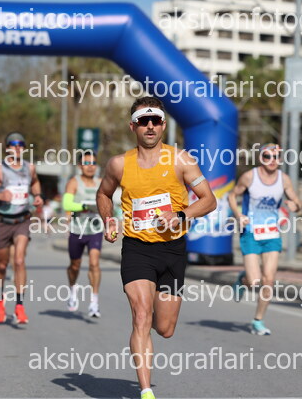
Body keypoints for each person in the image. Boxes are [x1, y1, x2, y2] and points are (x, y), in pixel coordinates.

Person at [96, 96, 216, 399]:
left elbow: (209, 200)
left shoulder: (181, 160)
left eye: (155, 120)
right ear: (132, 126)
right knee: (140, 316)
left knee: (165, 328)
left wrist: (181, 215)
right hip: (137, 248)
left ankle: (150, 330)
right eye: (143, 121)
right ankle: (146, 390)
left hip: (172, 250)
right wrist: (108, 219)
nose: (149, 126)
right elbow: (103, 193)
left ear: (163, 125)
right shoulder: (119, 164)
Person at [228, 143, 301, 336]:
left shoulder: (284, 179)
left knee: (268, 280)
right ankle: (243, 279)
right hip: (251, 232)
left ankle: (258, 320)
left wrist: (295, 206)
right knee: (254, 282)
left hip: (272, 234)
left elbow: (297, 201)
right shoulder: (249, 177)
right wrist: (238, 215)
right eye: (267, 156)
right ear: (261, 158)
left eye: (276, 157)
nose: (272, 160)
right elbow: (232, 196)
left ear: (281, 159)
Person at [0, 132, 43, 325]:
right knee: (2, 264)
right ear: (7, 148)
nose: (17, 148)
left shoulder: (29, 167)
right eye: (13, 145)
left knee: (19, 260)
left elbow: (35, 182)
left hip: (22, 220)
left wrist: (38, 196)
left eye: (21, 145)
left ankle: (19, 307)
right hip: (3, 221)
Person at [63, 150, 103, 318]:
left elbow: (109, 202)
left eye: (93, 163)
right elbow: (67, 204)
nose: (90, 166)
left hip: (95, 228)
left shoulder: (101, 182)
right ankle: (73, 291)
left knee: (94, 263)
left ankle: (94, 302)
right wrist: (84, 207)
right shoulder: (74, 182)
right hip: (77, 229)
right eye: (86, 163)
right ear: (80, 166)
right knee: (75, 265)